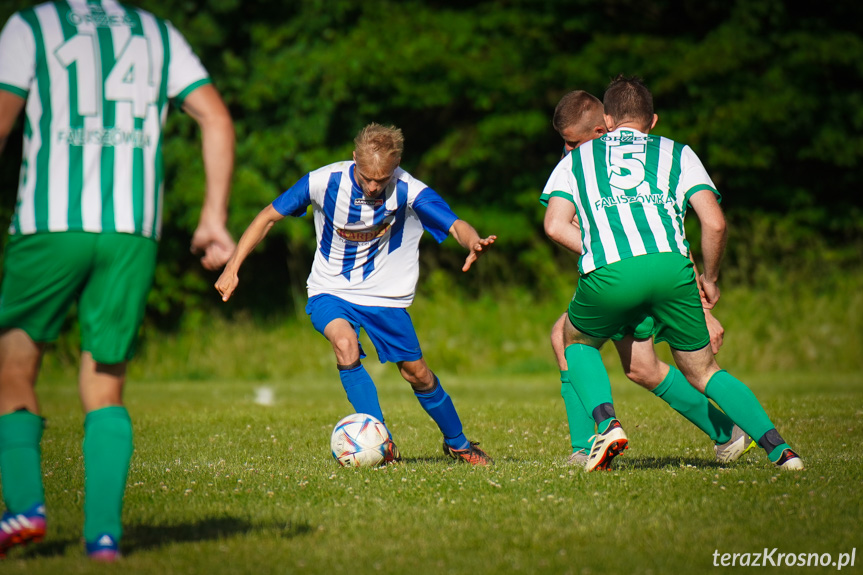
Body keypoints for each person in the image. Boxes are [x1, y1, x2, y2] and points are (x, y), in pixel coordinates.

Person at [0, 0, 235, 561]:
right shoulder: (155, 30)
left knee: (12, 365)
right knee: (104, 383)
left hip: (49, 225)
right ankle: (102, 537)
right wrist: (213, 216)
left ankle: (26, 509)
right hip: (133, 229)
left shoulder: (32, 25)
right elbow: (215, 116)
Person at [541, 76, 803, 472]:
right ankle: (777, 450)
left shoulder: (577, 162)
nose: (569, 149)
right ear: (653, 119)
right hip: (673, 271)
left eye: (574, 142)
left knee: (571, 339)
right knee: (671, 368)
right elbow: (712, 224)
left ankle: (598, 434)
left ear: (607, 123)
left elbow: (555, 226)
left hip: (611, 276)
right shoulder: (676, 152)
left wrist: (604, 248)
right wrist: (709, 284)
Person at [215, 123, 495, 467]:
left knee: (417, 373)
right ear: (353, 160)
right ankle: (383, 445)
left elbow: (454, 224)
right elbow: (268, 217)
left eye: (383, 178)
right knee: (345, 344)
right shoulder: (323, 181)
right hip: (329, 290)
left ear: (397, 165)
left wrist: (472, 242)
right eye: (367, 177)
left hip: (384, 297)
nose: (375, 186)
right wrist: (233, 266)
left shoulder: (409, 189)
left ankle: (459, 444)